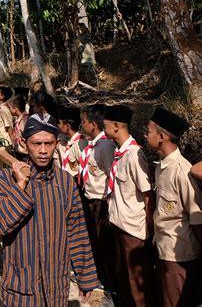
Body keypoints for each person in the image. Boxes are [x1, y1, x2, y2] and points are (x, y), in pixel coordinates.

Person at [0, 113, 98, 306]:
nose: (43, 151)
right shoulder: (4, 180)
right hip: (20, 285)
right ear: (24, 142)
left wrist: (85, 277)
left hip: (56, 285)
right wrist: (21, 185)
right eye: (36, 144)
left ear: (57, 143)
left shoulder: (65, 182)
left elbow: (77, 231)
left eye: (49, 143)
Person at [145, 107, 202, 307]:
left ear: (161, 137)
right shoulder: (162, 166)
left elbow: (196, 219)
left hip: (180, 255)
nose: (145, 135)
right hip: (164, 249)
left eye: (148, 131)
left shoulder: (182, 171)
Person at [103, 105, 155, 307]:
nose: (103, 127)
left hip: (134, 231)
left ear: (116, 126)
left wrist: (150, 230)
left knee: (137, 288)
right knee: (124, 279)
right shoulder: (119, 154)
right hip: (119, 225)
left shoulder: (134, 155)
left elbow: (148, 196)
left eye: (105, 124)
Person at [79, 104, 117, 290]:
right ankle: (100, 275)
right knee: (95, 241)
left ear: (93, 124)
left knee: (105, 243)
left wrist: (107, 204)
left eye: (84, 121)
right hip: (90, 199)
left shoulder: (106, 146)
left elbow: (112, 175)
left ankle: (111, 283)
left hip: (100, 202)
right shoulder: (92, 146)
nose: (82, 124)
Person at [57, 105, 88, 178]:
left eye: (59, 123)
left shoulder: (80, 144)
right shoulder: (69, 142)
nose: (58, 125)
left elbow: (84, 168)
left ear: (67, 126)